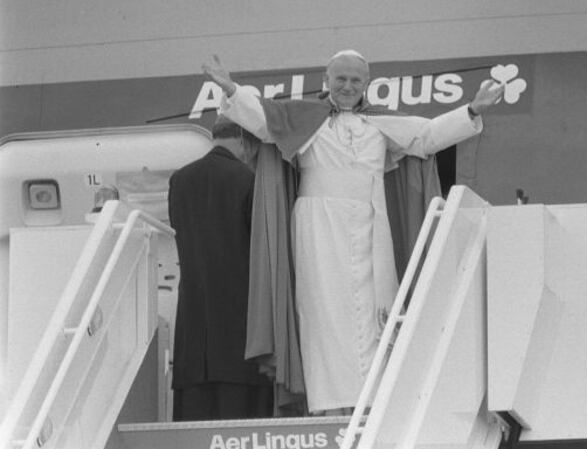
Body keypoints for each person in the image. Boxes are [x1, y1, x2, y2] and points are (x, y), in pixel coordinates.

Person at [202, 50, 504, 414]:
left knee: (379, 312)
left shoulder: (380, 123)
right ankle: (329, 409)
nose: (347, 87)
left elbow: (425, 137)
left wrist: (473, 110)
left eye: (355, 80)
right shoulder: (303, 117)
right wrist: (231, 88)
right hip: (319, 227)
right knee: (322, 312)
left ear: (368, 84)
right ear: (327, 81)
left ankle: (376, 405)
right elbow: (261, 118)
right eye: (340, 79)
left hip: (371, 225)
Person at [168, 116, 272, 420]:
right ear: (245, 139)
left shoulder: (180, 179)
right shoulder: (249, 179)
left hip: (193, 335)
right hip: (240, 336)